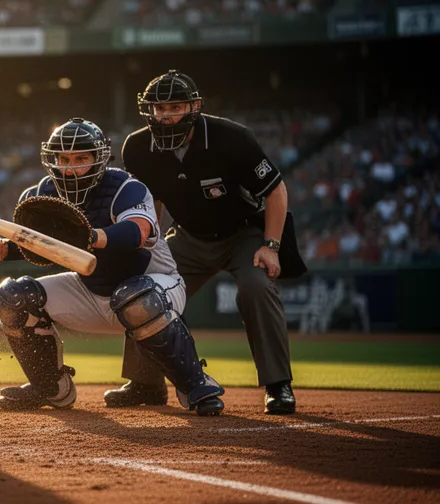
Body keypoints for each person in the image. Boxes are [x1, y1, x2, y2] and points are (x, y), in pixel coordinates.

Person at [0, 118, 225, 416]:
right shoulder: (39, 195)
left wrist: (91, 237)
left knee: (136, 297)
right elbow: (42, 246)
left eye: (81, 158)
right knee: (12, 296)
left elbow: (137, 232)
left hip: (153, 284)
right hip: (89, 288)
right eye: (63, 159)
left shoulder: (126, 188)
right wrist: (6, 247)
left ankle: (196, 384)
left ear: (99, 159)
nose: (70, 167)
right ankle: (50, 386)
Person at [116, 70, 303, 415]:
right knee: (142, 290)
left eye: (176, 105)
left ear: (194, 106)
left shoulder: (231, 138)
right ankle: (145, 383)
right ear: (149, 111)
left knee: (256, 287)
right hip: (187, 236)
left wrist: (271, 245)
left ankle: (278, 385)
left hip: (242, 235)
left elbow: (275, 189)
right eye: (159, 107)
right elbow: (149, 200)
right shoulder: (138, 146)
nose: (167, 114)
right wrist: (149, 247)